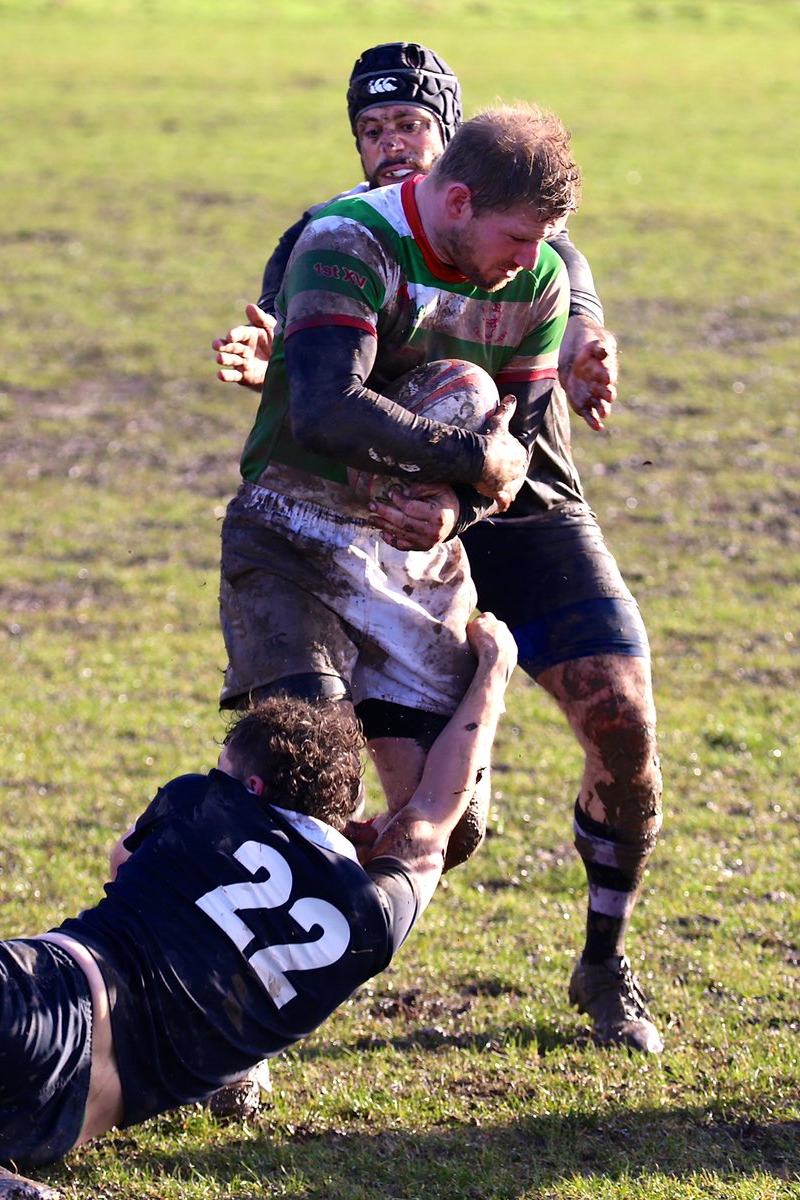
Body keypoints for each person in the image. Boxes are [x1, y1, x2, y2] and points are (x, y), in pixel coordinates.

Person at [214, 43, 664, 1055]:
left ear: (447, 146)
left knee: (622, 722)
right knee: (330, 782)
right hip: (370, 523)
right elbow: (316, 392)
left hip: (518, 508)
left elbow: (558, 322)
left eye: (407, 126)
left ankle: (603, 961)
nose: (388, 144)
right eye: (369, 129)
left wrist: (581, 362)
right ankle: (245, 985)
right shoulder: (331, 240)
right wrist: (266, 374)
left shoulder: (528, 241)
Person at [0, 613, 517, 1200]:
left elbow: (122, 859)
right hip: (59, 1122)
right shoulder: (371, 919)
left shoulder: (201, 802)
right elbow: (431, 816)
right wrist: (494, 676)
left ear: (253, 789)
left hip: (41, 998)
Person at [217, 100, 578, 870]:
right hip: (292, 533)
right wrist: (472, 460)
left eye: (539, 241)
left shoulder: (538, 278)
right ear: (458, 202)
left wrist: (457, 505)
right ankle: (160, 866)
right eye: (516, 236)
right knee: (303, 801)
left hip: (412, 561)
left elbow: (518, 444)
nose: (528, 256)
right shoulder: (349, 239)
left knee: (446, 834)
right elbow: (323, 411)